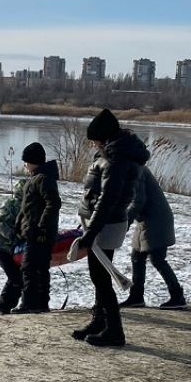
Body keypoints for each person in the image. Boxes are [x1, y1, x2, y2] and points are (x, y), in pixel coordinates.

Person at [73, 109, 150, 346]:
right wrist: (87, 221)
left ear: (105, 136)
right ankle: (100, 321)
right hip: (102, 223)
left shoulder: (116, 159)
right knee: (100, 276)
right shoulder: (116, 153)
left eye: (95, 139)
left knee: (100, 277)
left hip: (105, 225)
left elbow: (108, 198)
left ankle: (114, 329)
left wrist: (92, 230)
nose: (93, 144)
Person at [119, 166, 186, 310]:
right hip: (145, 220)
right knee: (137, 257)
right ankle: (136, 297)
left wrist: (124, 223)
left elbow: (138, 202)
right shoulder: (132, 167)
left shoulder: (136, 169)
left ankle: (177, 296)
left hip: (156, 220)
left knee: (157, 259)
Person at [11, 142, 61, 314]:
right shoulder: (36, 178)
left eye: (26, 161)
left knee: (29, 267)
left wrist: (42, 226)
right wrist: (18, 225)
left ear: (33, 161)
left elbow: (53, 203)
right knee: (40, 267)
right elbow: (27, 208)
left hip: (39, 233)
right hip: (33, 231)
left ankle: (29, 303)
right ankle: (41, 303)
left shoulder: (44, 179)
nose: (24, 164)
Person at [0, 178, 26, 315]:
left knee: (19, 278)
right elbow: (0, 225)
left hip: (12, 249)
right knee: (15, 277)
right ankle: (2, 308)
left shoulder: (26, 207)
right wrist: (14, 237)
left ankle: (8, 307)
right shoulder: (11, 204)